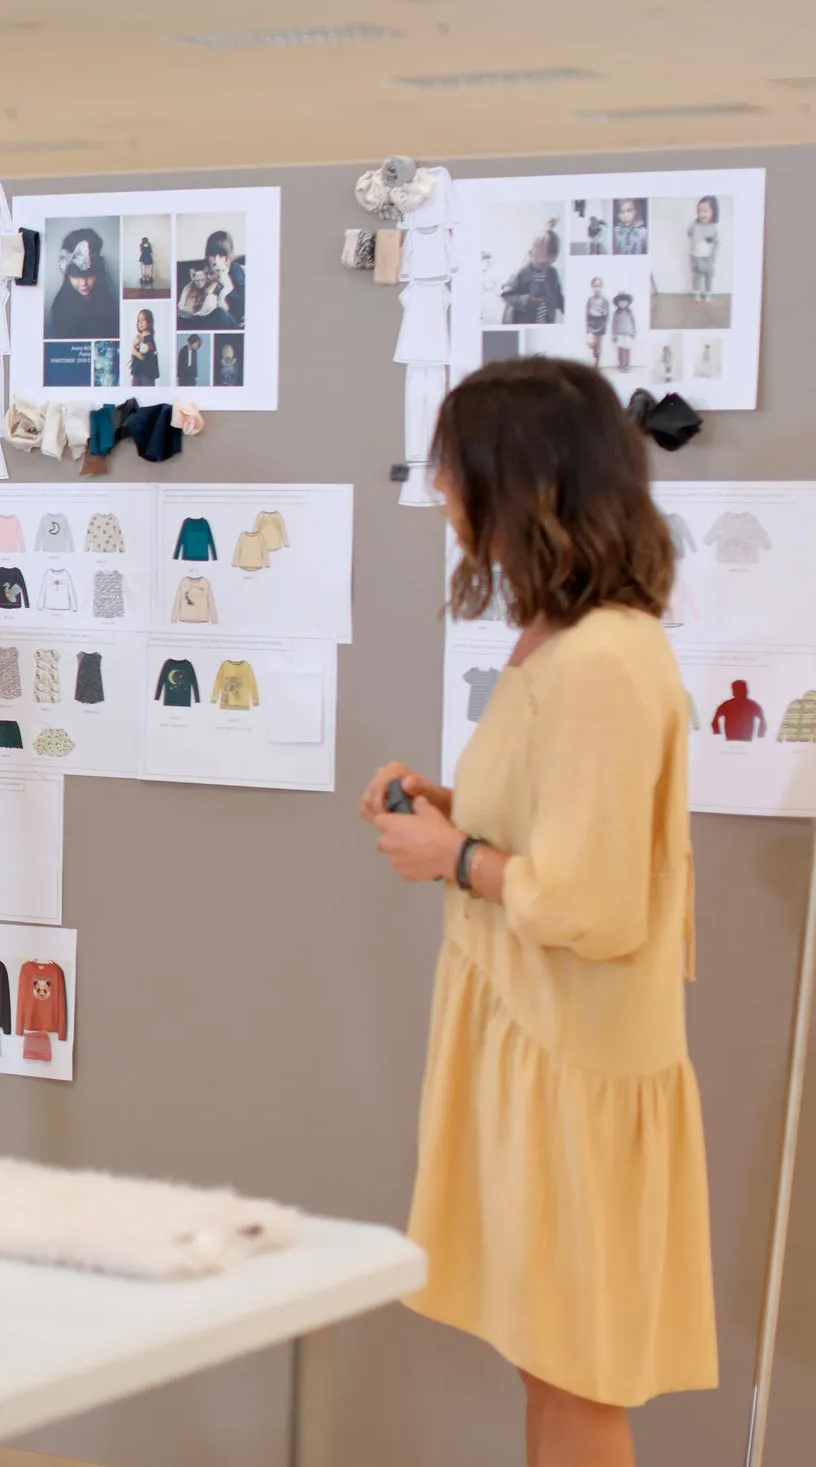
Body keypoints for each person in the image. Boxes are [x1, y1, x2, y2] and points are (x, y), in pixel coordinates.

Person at [361, 357, 714, 1467]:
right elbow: (569, 826)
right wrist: (457, 811)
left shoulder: (602, 660)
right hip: (534, 1040)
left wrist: (454, 856)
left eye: (451, 468)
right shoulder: (567, 641)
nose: (439, 492)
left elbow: (596, 903)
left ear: (516, 480)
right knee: (547, 1361)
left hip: (572, 1056)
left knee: (574, 1375)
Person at [46, 226, 117, 338]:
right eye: (76, 276)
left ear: (98, 273)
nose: (83, 282)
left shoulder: (108, 301)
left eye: (89, 275)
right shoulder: (60, 307)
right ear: (68, 276)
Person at [500, 223, 565, 325]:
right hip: (523, 322)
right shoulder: (521, 273)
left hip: (547, 321)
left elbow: (558, 296)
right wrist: (524, 300)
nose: (545, 267)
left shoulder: (552, 274)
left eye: (549, 263)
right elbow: (506, 295)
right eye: (541, 263)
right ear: (531, 254)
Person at [687, 195, 720, 304]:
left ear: (713, 212)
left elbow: (717, 243)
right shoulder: (695, 225)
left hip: (708, 258)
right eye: (700, 211)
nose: (702, 214)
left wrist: (713, 256)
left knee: (708, 276)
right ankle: (697, 292)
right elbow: (688, 232)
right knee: (696, 275)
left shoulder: (714, 227)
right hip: (695, 256)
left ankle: (707, 293)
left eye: (706, 211)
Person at [130, 309, 160, 387]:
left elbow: (142, 356)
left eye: (143, 320)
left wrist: (134, 350)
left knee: (146, 395)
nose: (140, 323)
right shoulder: (140, 338)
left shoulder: (149, 338)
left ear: (149, 322)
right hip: (137, 373)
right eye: (139, 320)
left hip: (146, 375)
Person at [583, 277, 609, 367]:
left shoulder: (604, 300)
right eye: (594, 286)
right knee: (592, 343)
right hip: (592, 325)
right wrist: (587, 327)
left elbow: (606, 312)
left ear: (602, 287)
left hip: (600, 325)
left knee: (599, 344)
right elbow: (587, 313)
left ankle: (597, 361)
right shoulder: (590, 300)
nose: (597, 288)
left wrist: (601, 313)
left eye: (599, 286)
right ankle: (594, 354)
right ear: (592, 288)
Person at [611, 290, 638, 372]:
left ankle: (627, 365)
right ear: (617, 303)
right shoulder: (616, 313)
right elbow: (613, 324)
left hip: (628, 334)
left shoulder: (630, 312)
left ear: (628, 302)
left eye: (624, 301)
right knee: (620, 350)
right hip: (619, 334)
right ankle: (621, 365)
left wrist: (634, 332)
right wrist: (614, 335)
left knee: (627, 350)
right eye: (621, 301)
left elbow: (633, 323)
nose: (623, 303)